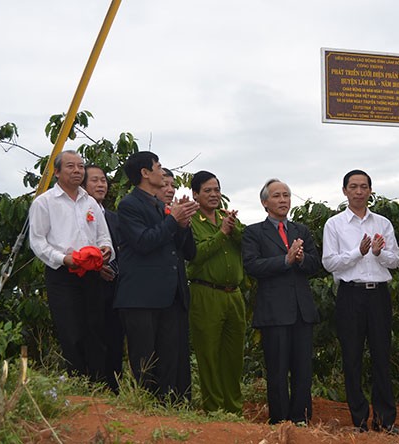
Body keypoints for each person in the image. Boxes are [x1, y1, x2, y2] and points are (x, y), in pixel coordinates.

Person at [321, 169, 399, 434]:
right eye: (353, 186)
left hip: (378, 294)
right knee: (352, 357)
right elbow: (329, 262)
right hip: (350, 294)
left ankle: (385, 421)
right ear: (344, 191)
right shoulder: (334, 224)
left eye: (363, 186)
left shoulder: (383, 223)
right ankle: (359, 422)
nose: (358, 191)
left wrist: (379, 253)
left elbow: (395, 261)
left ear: (370, 191)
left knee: (381, 356)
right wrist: (359, 252)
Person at [114, 151, 198, 401]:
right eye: (159, 167)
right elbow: (143, 242)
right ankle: (143, 407)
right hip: (141, 297)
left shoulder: (162, 206)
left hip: (169, 295)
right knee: (144, 360)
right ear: (145, 173)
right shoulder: (129, 205)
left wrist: (182, 224)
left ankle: (168, 408)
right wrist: (174, 220)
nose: (163, 172)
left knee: (169, 358)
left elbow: (179, 249)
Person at [29, 150, 113, 381]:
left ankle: (100, 385)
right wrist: (63, 259)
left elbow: (103, 236)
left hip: (92, 273)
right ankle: (78, 384)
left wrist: (106, 250)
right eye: (70, 166)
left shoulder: (91, 203)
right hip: (62, 275)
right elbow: (37, 241)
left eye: (80, 166)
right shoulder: (44, 202)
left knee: (95, 329)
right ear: (56, 172)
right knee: (71, 330)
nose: (77, 171)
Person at [242, 178, 320, 424]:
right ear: (265, 202)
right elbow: (252, 265)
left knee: (302, 371)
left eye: (286, 195)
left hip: (302, 311)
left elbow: (316, 264)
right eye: (276, 195)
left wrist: (299, 259)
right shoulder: (254, 232)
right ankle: (279, 421)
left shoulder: (301, 231)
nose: (283, 200)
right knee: (277, 370)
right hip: (273, 312)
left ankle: (302, 419)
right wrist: (284, 260)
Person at [187, 170, 246, 413]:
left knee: (233, 356)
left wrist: (234, 228)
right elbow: (195, 255)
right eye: (208, 191)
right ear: (195, 194)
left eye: (217, 190)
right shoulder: (190, 221)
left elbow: (248, 246)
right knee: (209, 354)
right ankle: (213, 408)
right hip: (205, 292)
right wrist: (222, 233)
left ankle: (234, 408)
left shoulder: (227, 217)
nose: (214, 195)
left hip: (234, 294)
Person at [83, 164, 124, 393]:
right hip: (88, 283)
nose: (101, 185)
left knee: (115, 338)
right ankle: (94, 386)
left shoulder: (113, 217)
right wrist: (96, 267)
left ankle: (115, 388)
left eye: (103, 181)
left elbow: (123, 248)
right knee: (93, 336)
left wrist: (114, 268)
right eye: (95, 181)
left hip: (115, 285)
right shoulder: (79, 215)